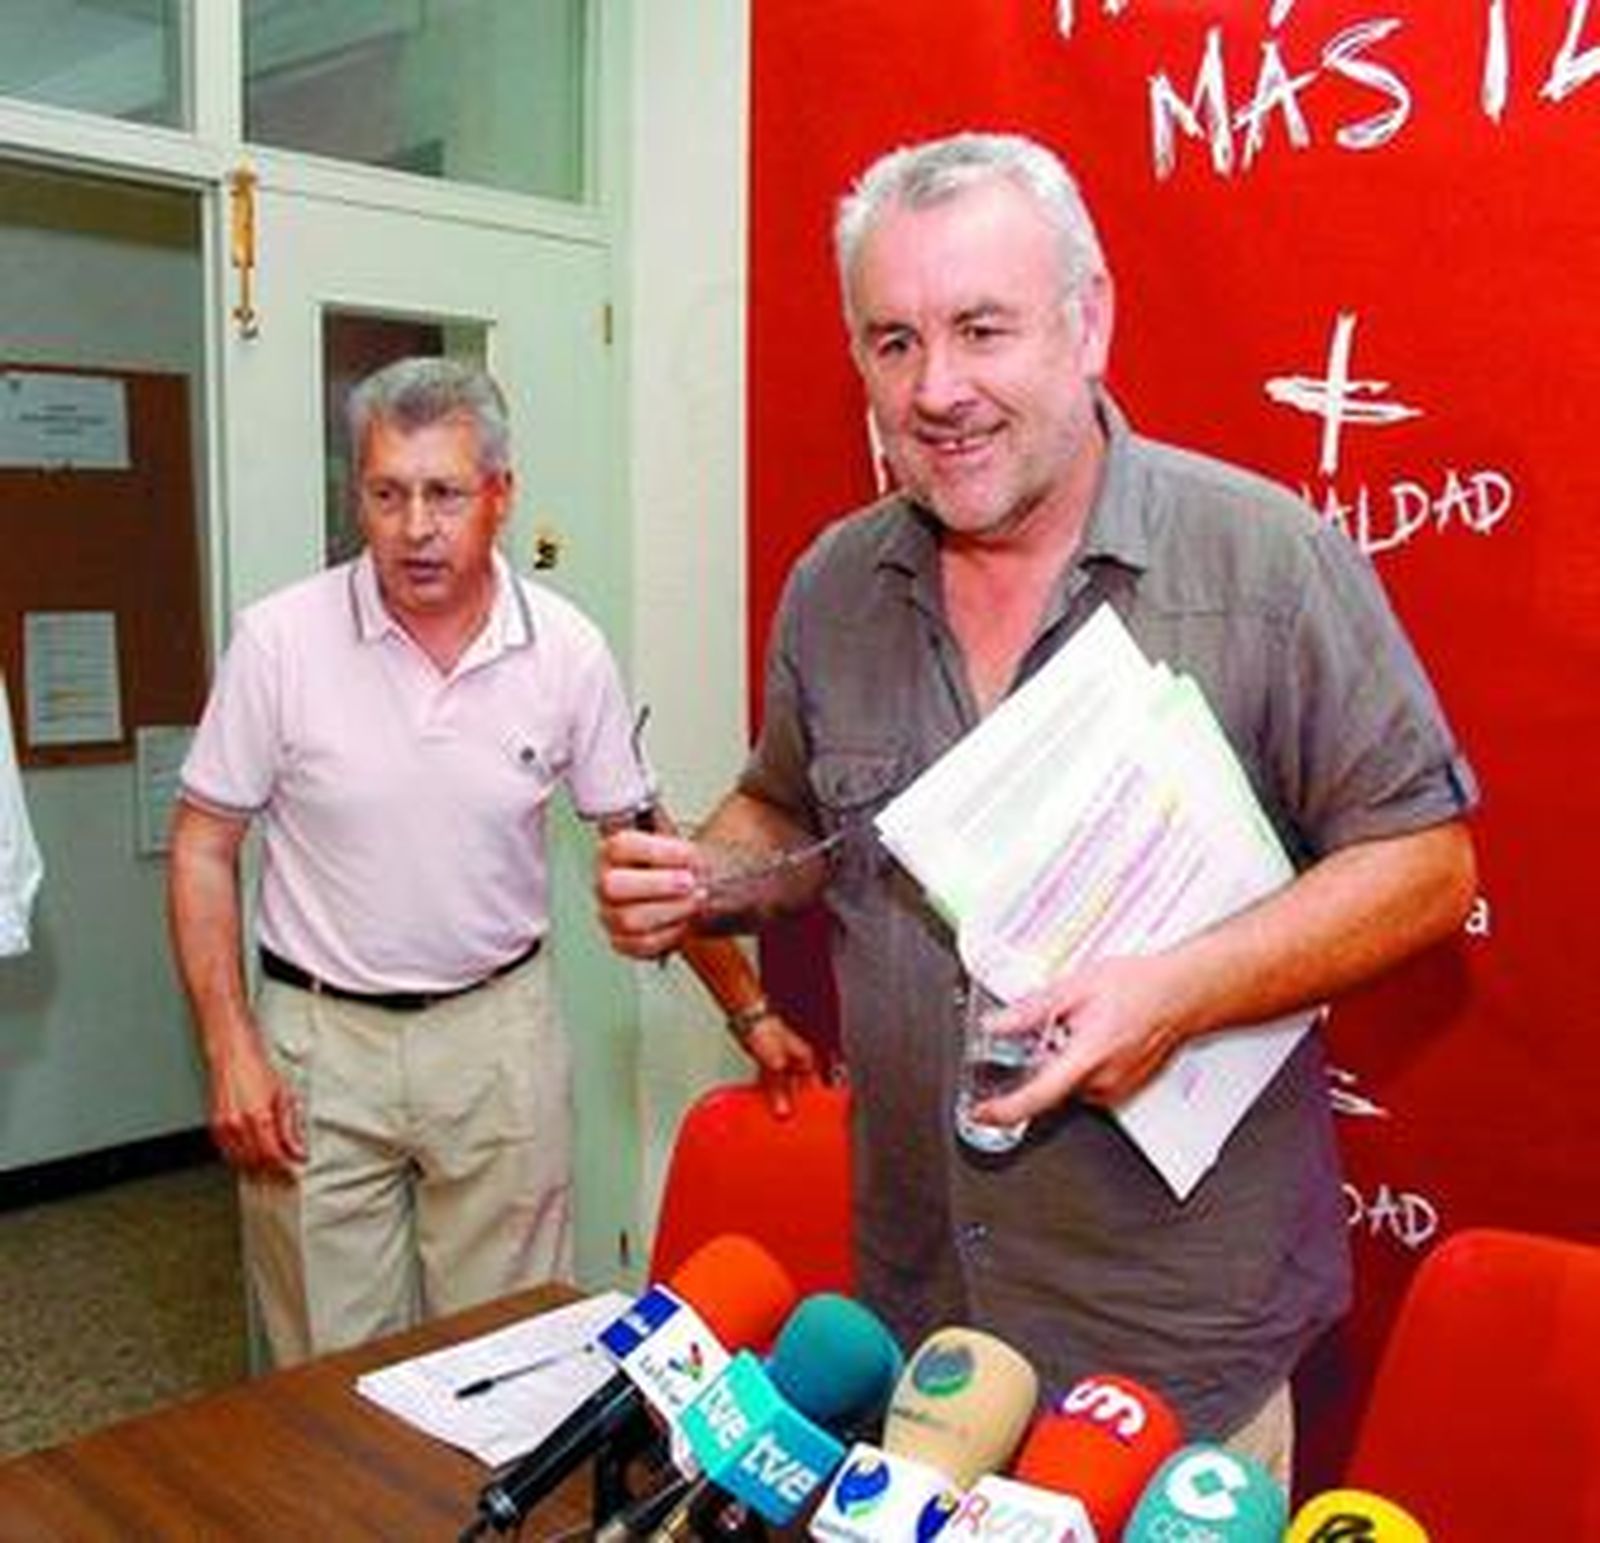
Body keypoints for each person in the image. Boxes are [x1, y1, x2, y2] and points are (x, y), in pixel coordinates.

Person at [595, 133, 1478, 1482]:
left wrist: (1178, 987)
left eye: (982, 329)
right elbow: (786, 809)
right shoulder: (837, 584)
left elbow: (1425, 859)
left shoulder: (1265, 562)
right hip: (924, 1327)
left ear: (1090, 320)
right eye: (893, 343)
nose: (936, 388)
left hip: (1176, 1346)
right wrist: (703, 877)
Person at [169, 356, 809, 1366]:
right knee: (325, 1377)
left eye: (444, 493)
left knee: (509, 1357)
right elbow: (205, 847)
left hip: (496, 1038)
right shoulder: (279, 643)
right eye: (386, 494)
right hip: (317, 1047)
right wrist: (229, 1044)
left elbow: (642, 853)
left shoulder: (564, 651)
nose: (414, 527)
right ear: (360, 497)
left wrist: (749, 1010)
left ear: (500, 496)